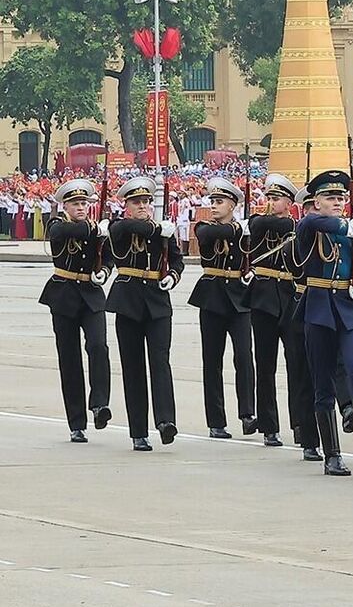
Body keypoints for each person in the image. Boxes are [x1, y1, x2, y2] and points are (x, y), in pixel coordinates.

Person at [293, 169, 353, 475]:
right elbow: (309, 224)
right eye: (330, 198)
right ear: (316, 202)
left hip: (349, 307)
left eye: (341, 198)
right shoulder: (311, 226)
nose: (337, 202)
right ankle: (332, 454)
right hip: (318, 307)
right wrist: (346, 226)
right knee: (323, 382)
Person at [104, 176, 184, 453]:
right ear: (126, 206)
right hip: (128, 301)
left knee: (160, 362)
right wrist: (157, 228)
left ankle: (165, 421)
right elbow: (125, 229)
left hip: (157, 301)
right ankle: (138, 431)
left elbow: (177, 260)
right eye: (136, 202)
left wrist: (172, 276)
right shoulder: (120, 226)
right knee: (133, 367)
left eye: (146, 201)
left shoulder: (162, 230)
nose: (142, 206)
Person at [41, 178, 112, 442]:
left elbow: (108, 256)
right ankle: (76, 423)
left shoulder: (95, 229)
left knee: (98, 346)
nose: (81, 207)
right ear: (65, 206)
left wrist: (104, 271)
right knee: (69, 359)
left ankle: (100, 404)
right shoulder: (58, 225)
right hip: (64, 296)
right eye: (75, 204)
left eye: (83, 203)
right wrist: (97, 229)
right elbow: (68, 233)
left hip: (91, 295)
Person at [189, 177, 256, 441]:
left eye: (220, 202)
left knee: (244, 357)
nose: (214, 206)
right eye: (213, 201)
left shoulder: (245, 232)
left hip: (239, 298)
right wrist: (240, 229)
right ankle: (216, 421)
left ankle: (247, 413)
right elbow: (212, 235)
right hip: (212, 297)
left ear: (233, 205)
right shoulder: (206, 227)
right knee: (212, 360)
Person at [245, 174, 305, 454]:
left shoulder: (296, 226)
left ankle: (300, 422)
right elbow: (258, 224)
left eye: (276, 198)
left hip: (290, 297)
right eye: (268, 197)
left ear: (290, 203)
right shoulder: (260, 222)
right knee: (265, 365)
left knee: (297, 364)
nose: (270, 202)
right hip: (264, 298)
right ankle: (269, 425)